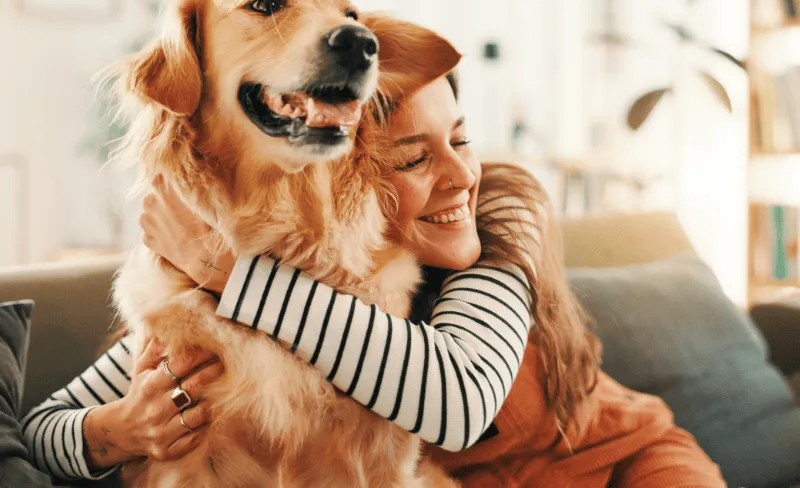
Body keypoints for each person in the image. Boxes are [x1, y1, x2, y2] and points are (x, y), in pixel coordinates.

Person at [22, 70, 725, 487]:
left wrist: (225, 271)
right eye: (415, 159)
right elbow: (39, 430)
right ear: (342, 183)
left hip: (630, 469)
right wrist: (118, 429)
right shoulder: (278, 289)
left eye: (461, 136)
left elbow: (455, 398)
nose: (460, 176)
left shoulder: (502, 214)